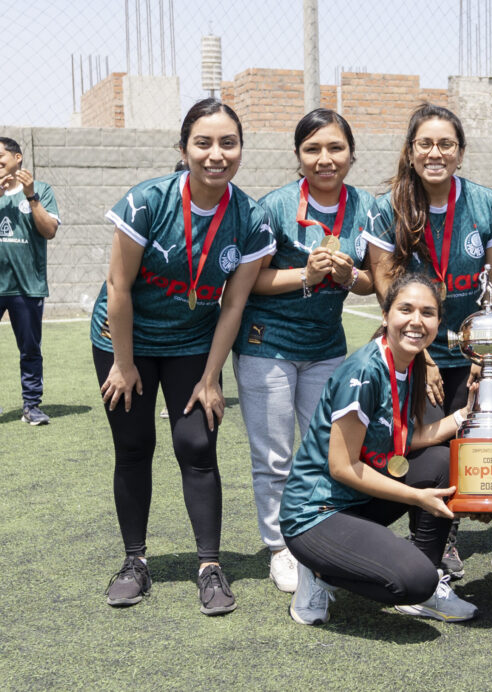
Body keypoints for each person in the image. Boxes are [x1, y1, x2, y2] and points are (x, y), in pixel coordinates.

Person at [91, 98, 275, 615]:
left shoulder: (251, 217)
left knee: (196, 444)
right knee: (133, 445)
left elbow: (235, 301)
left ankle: (210, 566)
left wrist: (212, 377)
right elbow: (118, 287)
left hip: (192, 341)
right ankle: (135, 561)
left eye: (228, 143)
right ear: (184, 149)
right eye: (203, 142)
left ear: (240, 150)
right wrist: (124, 365)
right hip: (123, 338)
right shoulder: (146, 202)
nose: (216, 154)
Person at [364, 103, 492, 576]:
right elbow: (388, 289)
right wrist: (423, 353)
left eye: (446, 144)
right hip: (413, 347)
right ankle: (428, 535)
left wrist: (490, 348)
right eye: (425, 143)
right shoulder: (386, 206)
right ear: (411, 152)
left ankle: (450, 534)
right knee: (423, 446)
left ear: (461, 152)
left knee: (465, 437)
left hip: (470, 348)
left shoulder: (486, 202)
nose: (436, 152)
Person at [281, 272, 478, 626]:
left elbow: (400, 439)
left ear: (437, 322)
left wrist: (465, 415)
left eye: (427, 312)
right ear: (385, 315)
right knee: (414, 580)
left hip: (356, 502)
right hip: (316, 512)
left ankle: (430, 581)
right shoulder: (364, 372)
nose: (417, 320)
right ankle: (318, 569)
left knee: (441, 462)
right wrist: (415, 497)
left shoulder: (408, 363)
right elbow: (342, 467)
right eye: (406, 309)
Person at [232, 109, 376, 593]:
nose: (325, 159)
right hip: (266, 346)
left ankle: (319, 538)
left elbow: (375, 280)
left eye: (335, 148)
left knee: (325, 452)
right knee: (274, 457)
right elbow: (250, 282)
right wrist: (308, 276)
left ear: (351, 154)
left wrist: (348, 276)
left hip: (326, 347)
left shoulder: (368, 207)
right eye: (312, 149)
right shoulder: (272, 207)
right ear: (298, 157)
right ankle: (280, 547)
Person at [0, 136, 60, 425]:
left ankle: (31, 406)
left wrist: (31, 196)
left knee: (30, 348)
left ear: (17, 158)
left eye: (0, 157)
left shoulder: (41, 190)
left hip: (27, 286)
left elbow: (49, 231)